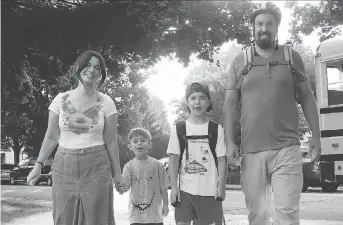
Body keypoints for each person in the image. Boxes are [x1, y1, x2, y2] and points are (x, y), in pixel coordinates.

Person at [223, 2, 321, 225]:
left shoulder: (291, 57)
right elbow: (229, 105)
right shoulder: (240, 61)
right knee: (257, 216)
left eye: (269, 24)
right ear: (253, 28)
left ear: (277, 27)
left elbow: (306, 97)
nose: (263, 28)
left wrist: (316, 134)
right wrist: (229, 142)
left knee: (287, 214)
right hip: (251, 150)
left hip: (287, 148)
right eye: (259, 24)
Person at [26, 50, 124, 225]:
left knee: (96, 220)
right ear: (78, 67)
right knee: (64, 219)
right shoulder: (60, 100)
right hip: (64, 167)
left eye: (97, 68)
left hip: (97, 167)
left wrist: (118, 174)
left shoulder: (107, 103)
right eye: (87, 65)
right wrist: (38, 165)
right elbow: (51, 135)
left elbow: (110, 141)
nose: (91, 70)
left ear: (101, 74)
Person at [167, 82, 227, 225]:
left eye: (202, 98)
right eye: (193, 98)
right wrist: (174, 188)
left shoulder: (217, 129)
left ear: (208, 102)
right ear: (187, 102)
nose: (197, 102)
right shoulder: (179, 129)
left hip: (210, 193)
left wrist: (221, 186)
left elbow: (222, 160)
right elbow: (173, 159)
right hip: (185, 193)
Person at [118, 127, 169, 225]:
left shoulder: (157, 164)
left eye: (143, 140)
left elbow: (164, 187)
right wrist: (121, 187)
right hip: (136, 216)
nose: (139, 143)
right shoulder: (128, 166)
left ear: (150, 145)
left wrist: (166, 205)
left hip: (155, 216)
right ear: (130, 146)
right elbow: (126, 186)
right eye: (135, 141)